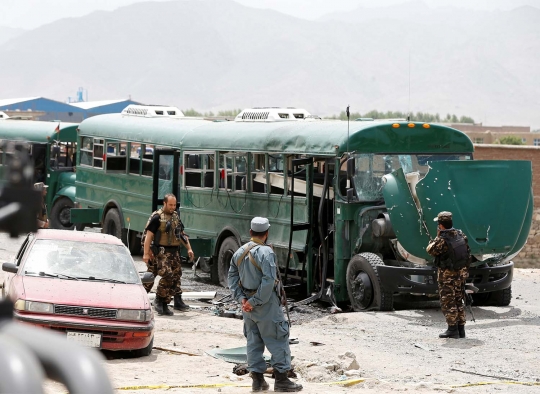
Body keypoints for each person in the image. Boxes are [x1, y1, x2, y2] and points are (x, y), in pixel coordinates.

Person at [228, 217, 302, 392]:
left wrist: (243, 300)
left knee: (253, 341)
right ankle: (282, 381)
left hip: (248, 307)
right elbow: (268, 281)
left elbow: (232, 279)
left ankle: (258, 381)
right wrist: (254, 302)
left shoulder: (239, 252)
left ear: (251, 232)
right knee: (278, 339)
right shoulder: (266, 253)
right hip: (266, 305)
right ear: (267, 233)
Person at [142, 194, 194, 316]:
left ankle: (167, 302)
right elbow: (148, 236)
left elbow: (181, 234)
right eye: (170, 205)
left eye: (174, 205)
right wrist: (145, 253)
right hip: (160, 252)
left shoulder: (176, 217)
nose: (172, 207)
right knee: (166, 275)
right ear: (164, 203)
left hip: (174, 251)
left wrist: (189, 249)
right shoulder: (157, 217)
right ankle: (158, 300)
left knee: (175, 276)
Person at [426, 211, 471, 339]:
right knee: (458, 300)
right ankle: (461, 329)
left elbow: (430, 250)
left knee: (448, 301)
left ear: (441, 225)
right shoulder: (461, 235)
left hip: (448, 276)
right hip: (460, 274)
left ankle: (452, 329)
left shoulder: (442, 240)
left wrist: (436, 237)